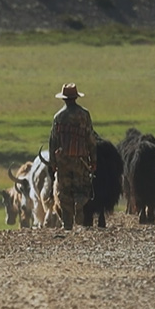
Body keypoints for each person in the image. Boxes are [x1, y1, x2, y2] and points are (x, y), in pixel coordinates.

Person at [47, 82, 96, 230]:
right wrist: (93, 159)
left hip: (63, 161)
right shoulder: (84, 115)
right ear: (76, 97)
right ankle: (79, 209)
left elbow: (53, 140)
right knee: (82, 188)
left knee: (64, 191)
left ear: (63, 99)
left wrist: (53, 161)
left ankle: (67, 223)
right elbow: (90, 138)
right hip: (80, 159)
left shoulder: (58, 117)